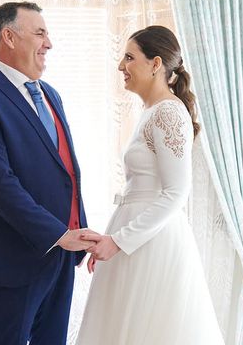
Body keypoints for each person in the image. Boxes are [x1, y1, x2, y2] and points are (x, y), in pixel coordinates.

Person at [0, 1, 97, 345]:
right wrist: (57, 234)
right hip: (14, 260)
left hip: (62, 255)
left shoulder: (51, 94)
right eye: (40, 33)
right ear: (9, 37)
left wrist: (73, 233)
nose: (49, 43)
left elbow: (63, 172)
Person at [76, 26, 224, 345]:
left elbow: (176, 193)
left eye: (129, 57)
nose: (120, 66)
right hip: (134, 237)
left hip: (151, 243)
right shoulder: (152, 112)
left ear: (156, 64)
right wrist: (112, 240)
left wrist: (118, 241)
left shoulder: (168, 112)